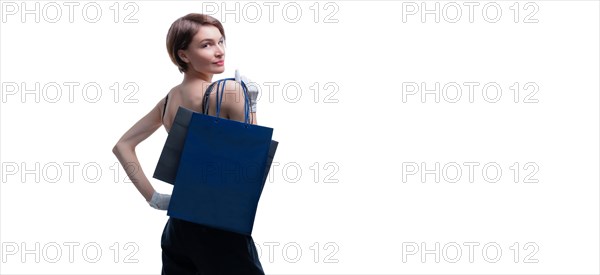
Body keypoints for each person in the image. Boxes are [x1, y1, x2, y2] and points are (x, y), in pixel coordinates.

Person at [112, 13, 265, 275]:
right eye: (206, 45)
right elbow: (250, 162)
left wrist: (155, 199)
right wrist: (251, 103)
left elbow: (123, 145)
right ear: (184, 55)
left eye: (220, 41)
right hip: (219, 226)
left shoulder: (169, 99)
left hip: (178, 228)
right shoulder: (227, 92)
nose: (219, 52)